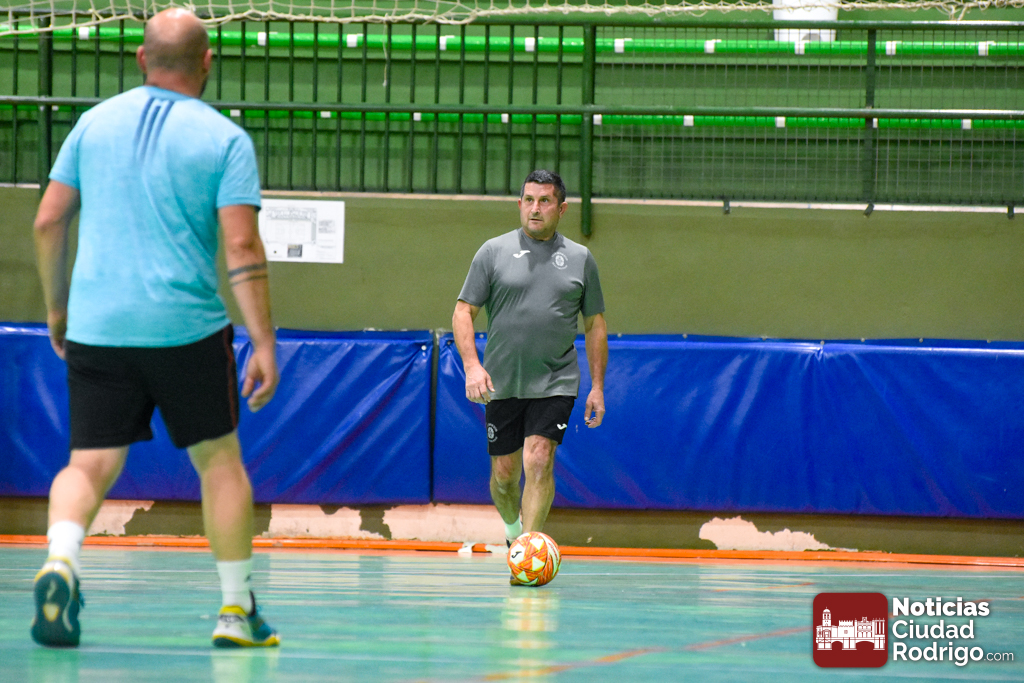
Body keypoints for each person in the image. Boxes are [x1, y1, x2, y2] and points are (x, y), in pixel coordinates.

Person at [31, 8, 279, 648]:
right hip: (186, 329)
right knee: (218, 462)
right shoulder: (225, 139)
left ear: (142, 58)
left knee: (88, 464)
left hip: (97, 326)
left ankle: (61, 559)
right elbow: (242, 246)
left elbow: (48, 221)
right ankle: (236, 610)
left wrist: (58, 309)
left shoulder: (92, 123)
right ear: (207, 62)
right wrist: (263, 341)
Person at [452, 169, 607, 582]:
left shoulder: (580, 259)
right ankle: (512, 531)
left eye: (544, 201)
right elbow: (463, 311)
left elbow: (595, 324)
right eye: (528, 200)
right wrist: (472, 366)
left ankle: (528, 554)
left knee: (539, 458)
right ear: (519, 204)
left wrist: (597, 387)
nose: (535, 208)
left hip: (556, 380)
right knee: (504, 476)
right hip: (501, 382)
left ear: (562, 208)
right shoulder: (492, 251)